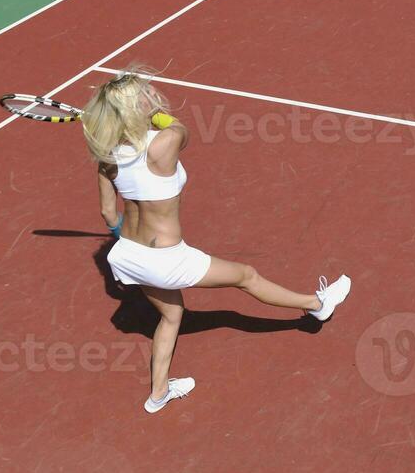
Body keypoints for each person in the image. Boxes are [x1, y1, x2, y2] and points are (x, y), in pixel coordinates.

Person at [83, 67, 352, 413]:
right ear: (138, 106)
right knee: (246, 276)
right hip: (167, 259)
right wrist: (157, 116)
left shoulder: (107, 157)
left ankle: (159, 393)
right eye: (146, 94)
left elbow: (108, 213)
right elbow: (181, 128)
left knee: (171, 314)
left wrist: (133, 245)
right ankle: (317, 306)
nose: (152, 96)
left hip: (127, 256)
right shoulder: (163, 143)